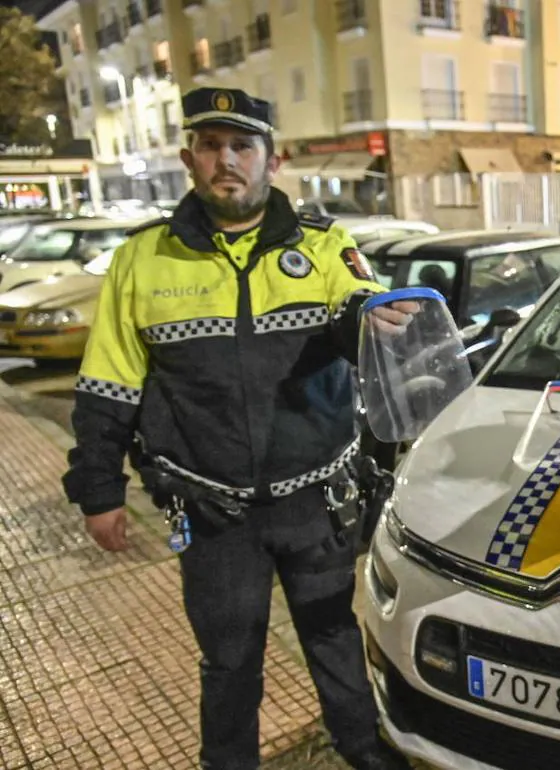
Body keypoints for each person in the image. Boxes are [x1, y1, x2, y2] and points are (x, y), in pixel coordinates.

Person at [62, 87, 412, 770]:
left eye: (243, 146)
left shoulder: (323, 245)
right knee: (229, 661)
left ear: (270, 160)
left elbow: (360, 310)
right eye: (213, 145)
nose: (228, 160)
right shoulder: (141, 261)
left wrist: (371, 319)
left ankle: (365, 754)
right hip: (213, 510)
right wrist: (98, 491)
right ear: (189, 156)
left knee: (334, 639)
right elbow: (108, 385)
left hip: (315, 504)